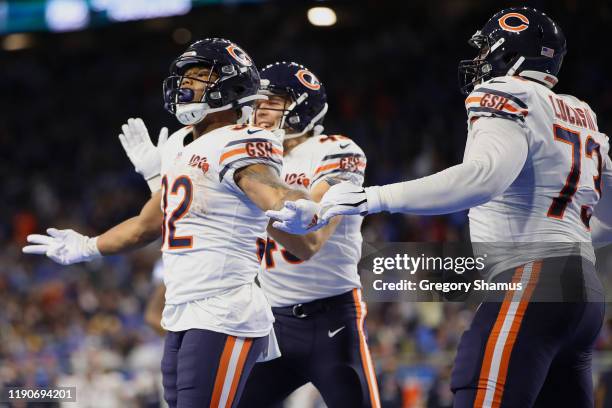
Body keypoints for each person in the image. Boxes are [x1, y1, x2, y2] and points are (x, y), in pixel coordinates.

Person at [269, 7, 612, 407]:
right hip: (584, 292)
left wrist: (374, 197)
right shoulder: (582, 115)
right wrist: (572, 249)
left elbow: (484, 177)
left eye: (487, 49)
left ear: (511, 51)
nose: (482, 60)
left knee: (476, 388)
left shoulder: (505, 92)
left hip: (531, 278)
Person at [22, 38, 314, 408]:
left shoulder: (241, 140)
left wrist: (297, 206)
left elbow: (269, 189)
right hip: (182, 309)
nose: (185, 85)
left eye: (198, 76)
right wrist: (86, 246)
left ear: (231, 83)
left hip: (224, 309)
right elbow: (149, 223)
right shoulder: (182, 144)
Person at [122, 61, 380, 408]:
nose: (259, 108)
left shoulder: (335, 150)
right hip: (272, 322)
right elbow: (189, 217)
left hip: (332, 319)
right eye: (257, 99)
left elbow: (310, 239)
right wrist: (160, 177)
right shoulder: (241, 152)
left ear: (303, 106)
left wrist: (249, 198)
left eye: (272, 100)